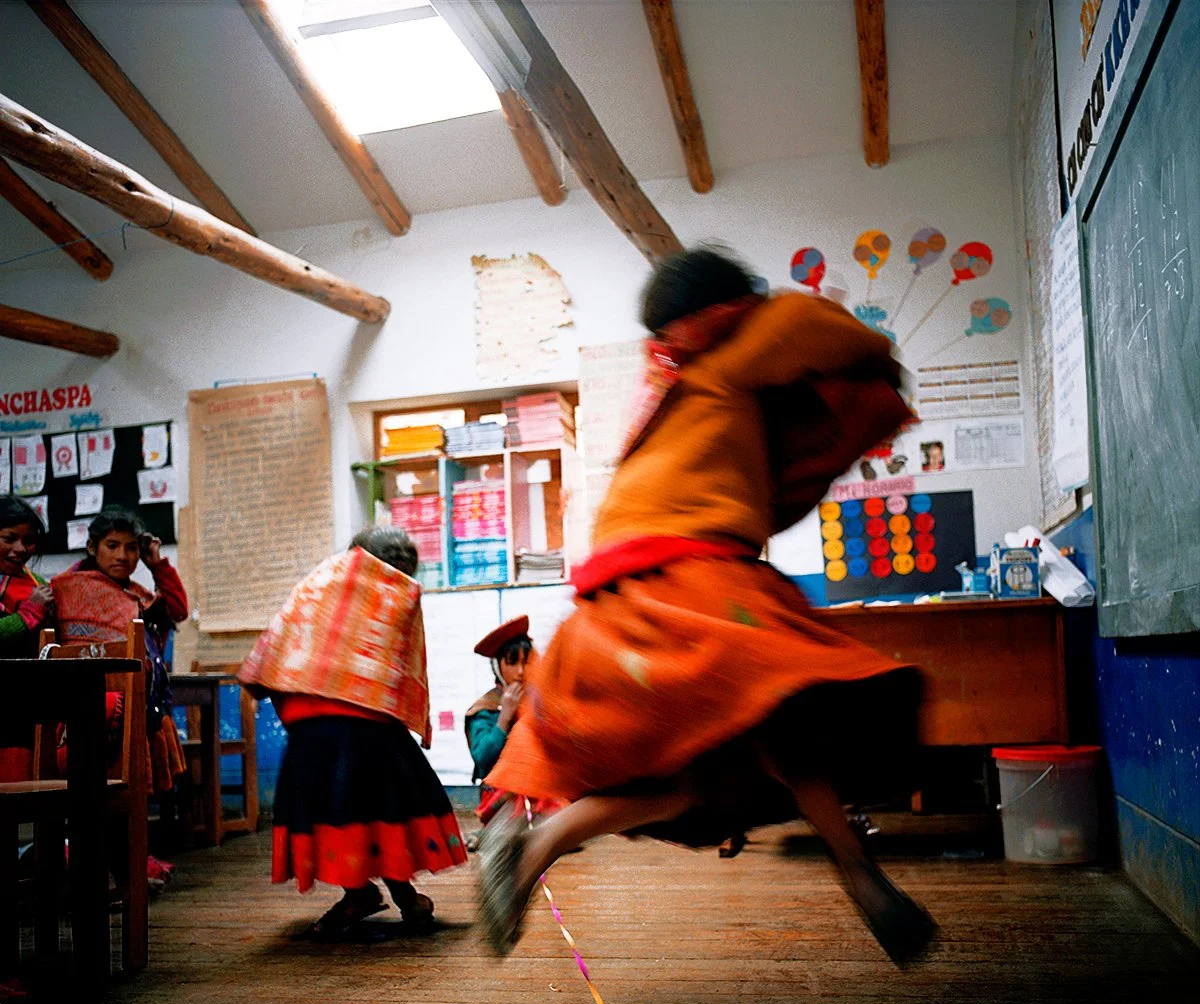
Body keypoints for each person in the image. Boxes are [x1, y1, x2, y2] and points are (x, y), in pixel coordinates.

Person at [477, 246, 937, 966]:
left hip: (610, 611)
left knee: (692, 779)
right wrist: (762, 307)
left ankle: (534, 846)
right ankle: (862, 874)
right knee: (793, 712)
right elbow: (842, 336)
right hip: (690, 585)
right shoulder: (734, 356)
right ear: (724, 310)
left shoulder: (667, 393)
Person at [239, 526, 467, 937]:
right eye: (397, 560)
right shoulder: (378, 590)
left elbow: (284, 642)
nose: (402, 569)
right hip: (359, 726)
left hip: (325, 726)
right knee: (372, 813)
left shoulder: (322, 584)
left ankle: (366, 893)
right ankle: (393, 896)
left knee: (346, 813)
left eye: (406, 563)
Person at [51, 506, 188, 794]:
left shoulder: (137, 595)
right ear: (92, 547)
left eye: (132, 548)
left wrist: (157, 565)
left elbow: (178, 609)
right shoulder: (68, 588)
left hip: (137, 701)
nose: (122, 556)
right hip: (88, 705)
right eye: (112, 546)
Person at [464, 616, 562, 844]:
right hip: (501, 796)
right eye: (512, 662)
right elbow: (483, 759)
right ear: (498, 666)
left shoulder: (537, 701)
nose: (520, 671)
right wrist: (505, 717)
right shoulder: (485, 708)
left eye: (526, 662)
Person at [0, 496, 54, 780]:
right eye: (9, 538)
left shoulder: (39, 585)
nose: (20, 549)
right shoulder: (36, 596)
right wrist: (28, 615)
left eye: (29, 540)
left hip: (28, 705)